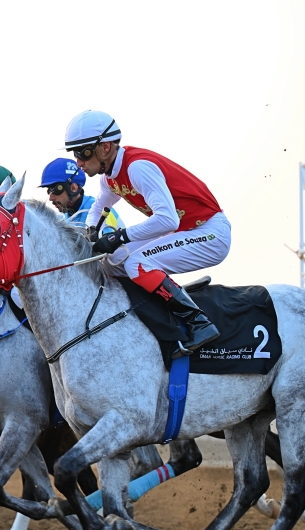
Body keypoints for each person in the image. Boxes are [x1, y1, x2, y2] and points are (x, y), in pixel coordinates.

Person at [65, 110, 228, 356]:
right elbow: (98, 207)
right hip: (184, 230)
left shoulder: (138, 168)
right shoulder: (109, 177)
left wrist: (119, 236)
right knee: (113, 261)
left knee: (138, 264)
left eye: (82, 152)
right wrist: (91, 231)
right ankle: (151, 311)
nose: (78, 162)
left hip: (209, 233)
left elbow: (167, 219)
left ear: (106, 148)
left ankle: (199, 323)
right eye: (75, 154)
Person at [38, 157, 123, 232]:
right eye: (49, 190)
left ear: (73, 188)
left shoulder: (97, 209)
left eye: (56, 189)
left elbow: (107, 248)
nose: (51, 198)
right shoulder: (63, 219)